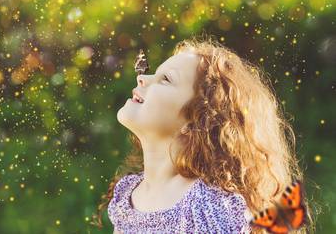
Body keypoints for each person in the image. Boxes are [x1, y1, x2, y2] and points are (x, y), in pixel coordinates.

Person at [91, 36, 313, 233]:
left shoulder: (208, 206)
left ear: (197, 119)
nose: (142, 78)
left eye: (165, 79)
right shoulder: (127, 194)